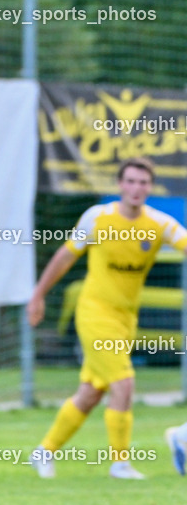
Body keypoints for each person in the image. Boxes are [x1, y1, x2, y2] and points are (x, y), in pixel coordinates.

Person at [28, 157, 187, 479]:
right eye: (131, 181)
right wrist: (38, 294)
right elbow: (65, 256)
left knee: (90, 393)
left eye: (143, 182)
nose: (136, 188)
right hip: (94, 313)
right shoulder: (98, 218)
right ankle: (120, 464)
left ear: (150, 187)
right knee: (123, 383)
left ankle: (43, 452)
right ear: (120, 185)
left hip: (126, 319)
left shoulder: (159, 224)